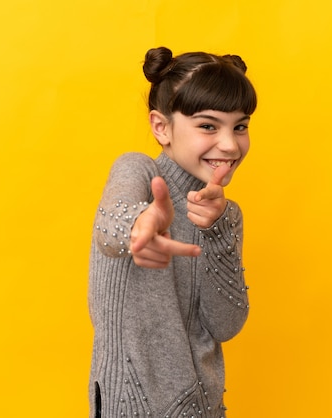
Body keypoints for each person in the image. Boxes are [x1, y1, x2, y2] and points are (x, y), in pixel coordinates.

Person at [88, 46, 257, 418]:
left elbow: (226, 324)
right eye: (208, 126)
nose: (230, 145)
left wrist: (215, 231)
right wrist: (140, 225)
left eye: (240, 126)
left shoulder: (227, 215)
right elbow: (109, 223)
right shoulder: (139, 173)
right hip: (130, 408)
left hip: (206, 410)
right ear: (161, 127)